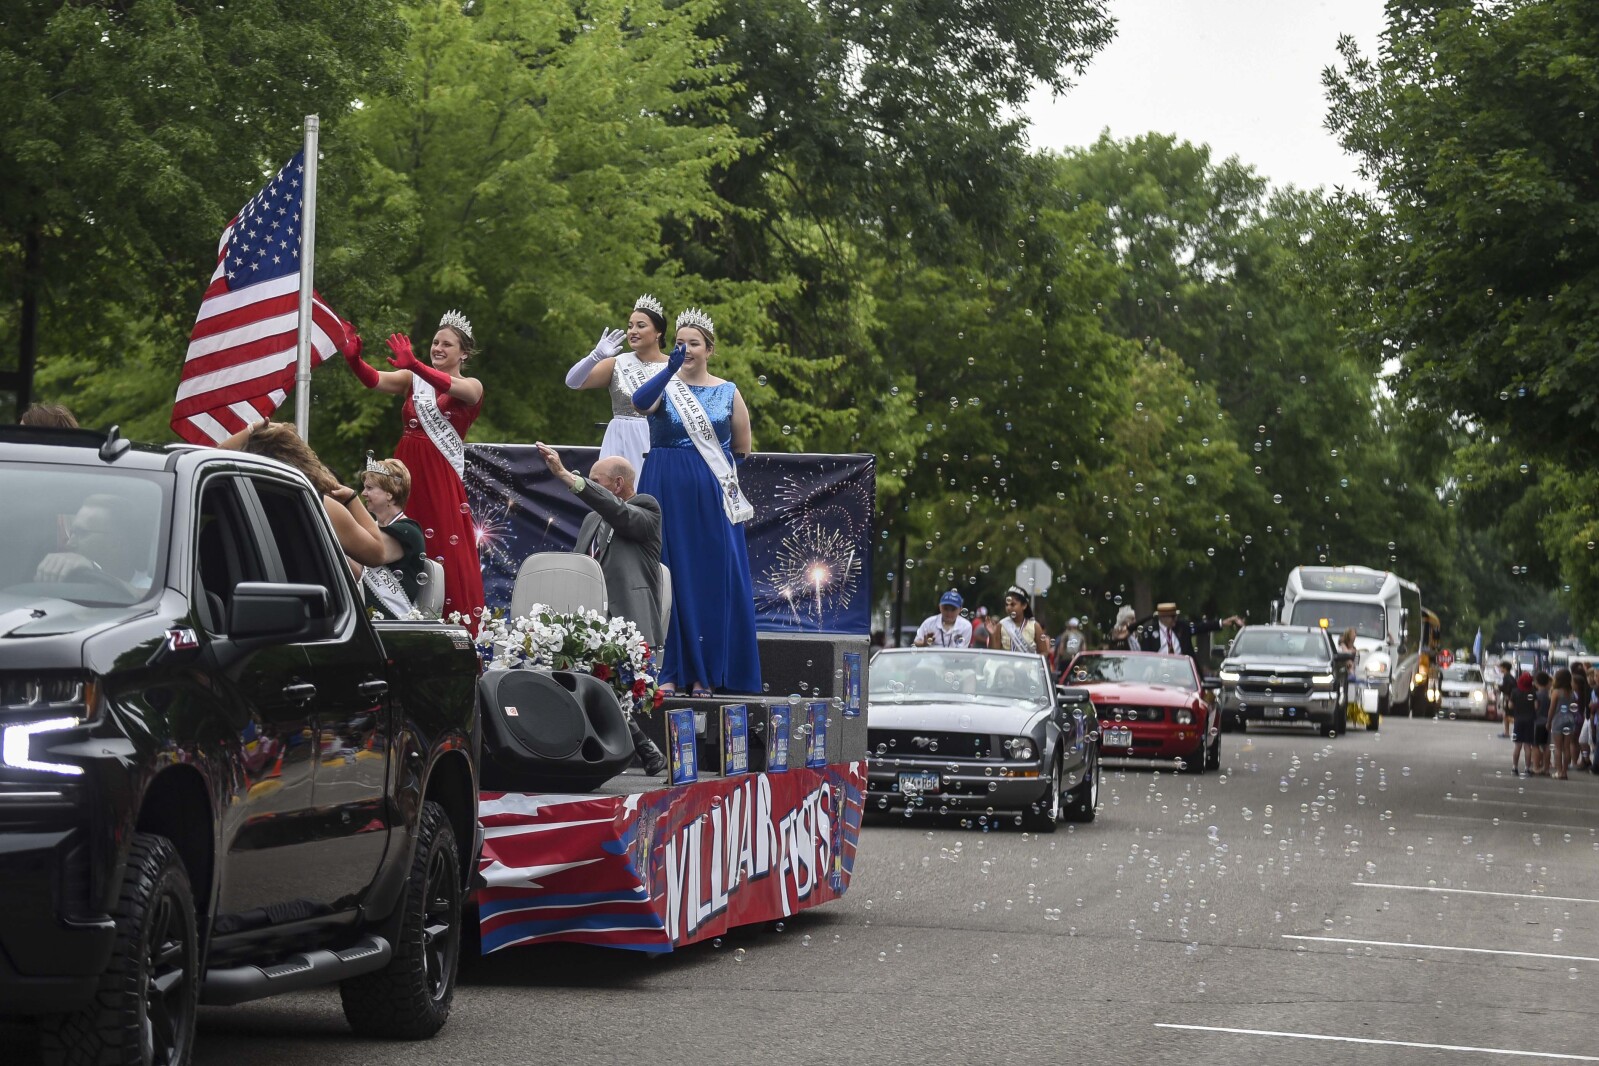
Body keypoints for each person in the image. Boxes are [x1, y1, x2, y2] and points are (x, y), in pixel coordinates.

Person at [630, 306, 761, 695]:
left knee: (707, 578)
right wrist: (667, 370)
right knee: (667, 575)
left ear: (709, 349)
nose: (685, 349)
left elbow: (742, 447)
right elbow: (639, 403)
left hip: (710, 495)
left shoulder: (728, 391)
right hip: (663, 489)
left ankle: (707, 673)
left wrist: (706, 475)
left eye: (693, 343)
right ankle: (669, 671)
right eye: (679, 342)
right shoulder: (662, 383)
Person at [341, 311, 486, 627]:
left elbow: (457, 390)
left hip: (439, 476)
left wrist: (415, 365)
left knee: (443, 546)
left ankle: (452, 623)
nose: (438, 348)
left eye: (447, 344)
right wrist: (354, 360)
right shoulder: (413, 379)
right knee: (392, 536)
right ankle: (391, 608)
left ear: (464, 352)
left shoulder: (472, 385)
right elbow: (375, 380)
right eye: (435, 342)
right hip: (404, 469)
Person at [223, 421, 391, 571]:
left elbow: (207, 458)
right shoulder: (319, 506)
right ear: (300, 456)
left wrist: (251, 429)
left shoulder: (229, 501)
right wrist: (351, 499)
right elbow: (377, 553)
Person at [563, 294, 671, 478]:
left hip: (657, 439)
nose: (632, 331)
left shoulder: (673, 366)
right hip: (620, 438)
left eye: (641, 326)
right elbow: (573, 382)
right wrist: (595, 356)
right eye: (630, 326)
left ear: (658, 333)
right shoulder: (618, 363)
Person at [357, 455, 428, 619]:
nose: (363, 493)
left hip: (389, 621)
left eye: (369, 488)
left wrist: (349, 503)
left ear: (389, 494)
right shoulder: (373, 528)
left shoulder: (408, 531)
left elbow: (365, 552)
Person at [33, 493, 147, 595]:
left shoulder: (153, 589)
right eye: (72, 533)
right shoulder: (64, 581)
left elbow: (141, 596)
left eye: (82, 533)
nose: (69, 543)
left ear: (117, 541)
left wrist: (95, 571)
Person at [1136, 602, 1245, 672]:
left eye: (1176, 616)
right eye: (1172, 617)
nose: (1175, 620)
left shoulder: (1182, 627)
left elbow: (1201, 627)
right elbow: (1146, 656)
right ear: (1163, 618)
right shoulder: (1150, 632)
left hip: (1181, 673)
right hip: (1159, 672)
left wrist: (1222, 623)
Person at [984, 586, 1051, 657]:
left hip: (1026, 666)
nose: (1008, 608)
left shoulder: (1034, 626)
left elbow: (1043, 652)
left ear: (1024, 605)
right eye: (1007, 605)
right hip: (1004, 666)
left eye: (1013, 604)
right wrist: (992, 635)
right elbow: (994, 653)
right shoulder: (1001, 625)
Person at [1548, 667, 1581, 780]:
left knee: (1558, 748)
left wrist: (1548, 722)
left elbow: (1552, 709)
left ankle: (1559, 771)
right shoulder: (1572, 693)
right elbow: (1574, 708)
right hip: (1570, 720)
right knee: (1567, 747)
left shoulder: (1556, 692)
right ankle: (1565, 771)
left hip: (1558, 719)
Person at [1510, 671, 1538, 774]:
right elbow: (1536, 706)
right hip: (1530, 720)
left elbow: (1510, 706)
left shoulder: (1515, 692)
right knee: (1527, 746)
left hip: (1518, 720)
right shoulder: (1533, 692)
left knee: (1517, 745)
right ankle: (1527, 768)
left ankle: (1515, 767)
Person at [1532, 671, 1553, 775]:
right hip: (1547, 722)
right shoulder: (1550, 695)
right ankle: (1546, 768)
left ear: (1536, 682)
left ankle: (1536, 766)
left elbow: (1535, 708)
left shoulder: (1537, 695)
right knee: (1546, 746)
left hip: (1538, 722)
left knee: (1535, 745)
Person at [1496, 661, 1516, 734]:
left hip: (1509, 698)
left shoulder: (1507, 677)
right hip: (1509, 698)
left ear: (1505, 668)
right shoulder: (1508, 677)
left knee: (1508, 715)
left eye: (1501, 667)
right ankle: (1506, 732)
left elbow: (1508, 688)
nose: (1500, 669)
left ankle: (1517, 726)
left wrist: (1500, 688)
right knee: (1506, 715)